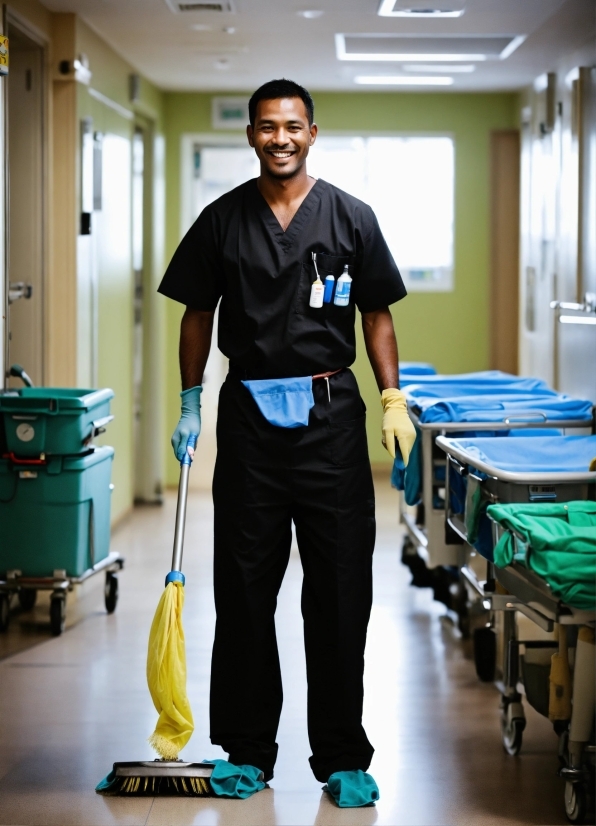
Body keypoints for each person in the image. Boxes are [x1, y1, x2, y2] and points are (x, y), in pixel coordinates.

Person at [158, 78, 416, 808]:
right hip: (248, 421)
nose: (280, 137)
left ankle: (341, 757)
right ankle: (246, 749)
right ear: (250, 134)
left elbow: (378, 315)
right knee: (243, 591)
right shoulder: (221, 221)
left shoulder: (350, 218)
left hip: (331, 420)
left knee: (338, 593)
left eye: (293, 126)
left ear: (312, 131)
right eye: (267, 126)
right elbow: (195, 314)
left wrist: (393, 397)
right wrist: (189, 401)